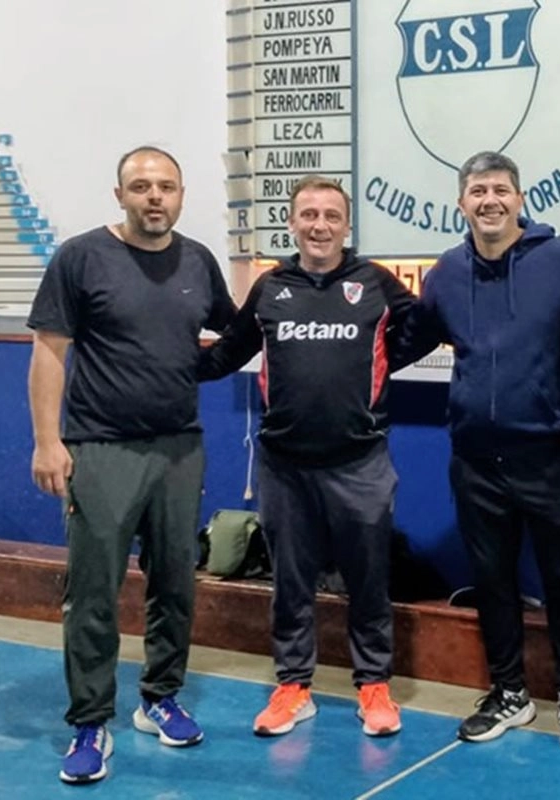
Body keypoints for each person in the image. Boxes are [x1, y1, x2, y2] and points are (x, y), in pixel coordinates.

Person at [27, 146, 235, 784]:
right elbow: (49, 352)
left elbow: (233, 335)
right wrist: (47, 442)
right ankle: (90, 722)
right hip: (101, 448)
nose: (154, 197)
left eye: (166, 186)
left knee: (176, 583)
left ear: (181, 195)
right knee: (94, 591)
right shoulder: (81, 258)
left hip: (180, 448)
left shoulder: (198, 261)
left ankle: (160, 698)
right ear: (119, 195)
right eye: (141, 186)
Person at [397, 151, 560, 752]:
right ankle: (510, 691)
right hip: (476, 459)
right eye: (478, 191)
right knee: (491, 580)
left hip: (551, 453)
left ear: (519, 198)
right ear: (461, 203)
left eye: (500, 190)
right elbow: (406, 341)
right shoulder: (446, 273)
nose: (490, 200)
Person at [198, 174, 415, 739]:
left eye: (331, 216)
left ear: (347, 225)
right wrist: (158, 364)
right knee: (290, 582)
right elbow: (227, 354)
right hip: (284, 466)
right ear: (292, 223)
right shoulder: (271, 288)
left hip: (360, 462)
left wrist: (377, 367)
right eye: (310, 215)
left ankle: (374, 685)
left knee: (368, 579)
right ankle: (293, 686)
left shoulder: (374, 283)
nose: (320, 226)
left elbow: (421, 330)